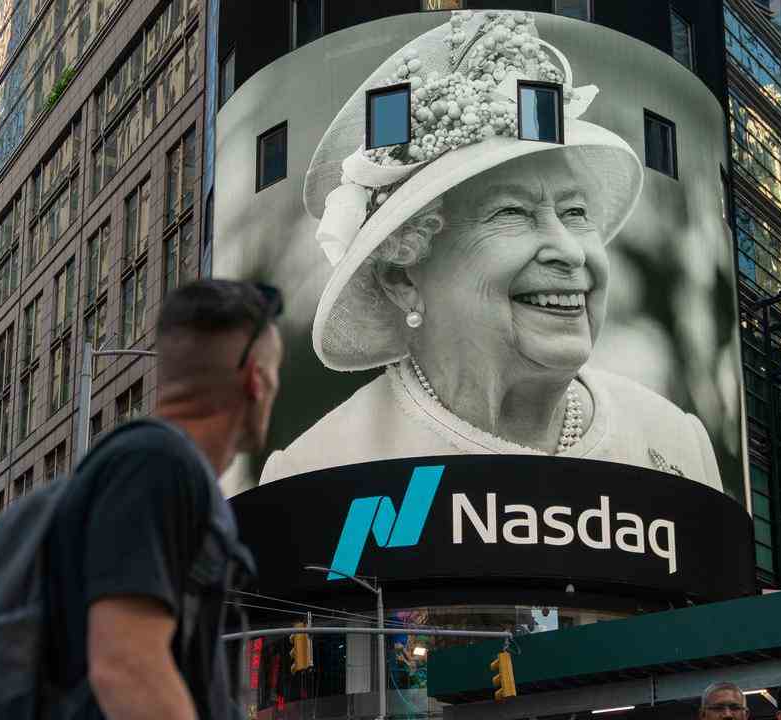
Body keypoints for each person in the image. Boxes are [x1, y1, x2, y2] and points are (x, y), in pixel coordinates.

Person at [260, 9, 721, 490]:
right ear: (403, 277)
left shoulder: (676, 443)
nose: (571, 251)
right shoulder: (319, 472)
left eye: (575, 213)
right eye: (512, 213)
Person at [45, 279, 284, 720]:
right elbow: (127, 668)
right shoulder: (157, 465)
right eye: (275, 373)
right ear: (256, 380)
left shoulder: (160, 468)